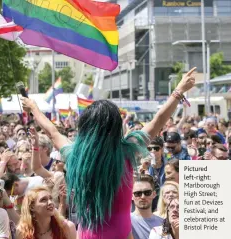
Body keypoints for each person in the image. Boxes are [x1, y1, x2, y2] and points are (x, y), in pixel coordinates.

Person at [20, 67, 197, 239]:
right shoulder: (126, 152)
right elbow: (158, 121)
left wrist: (34, 107)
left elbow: (53, 132)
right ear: (115, 127)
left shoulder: (76, 156)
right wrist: (178, 90)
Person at [131, 175, 164, 239]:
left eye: (147, 192)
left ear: (154, 194)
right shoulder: (126, 221)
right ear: (131, 196)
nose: (143, 197)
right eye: (138, 193)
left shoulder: (163, 223)